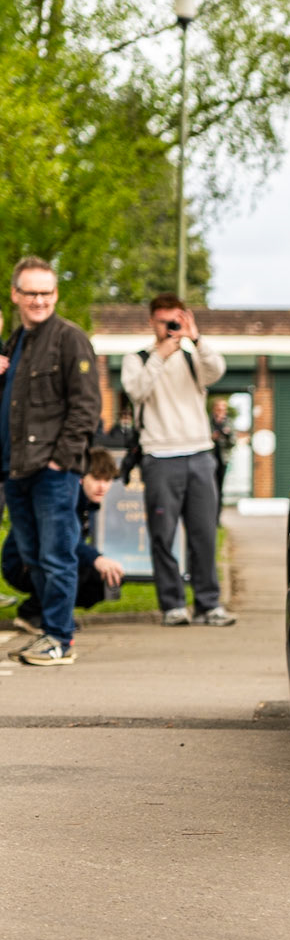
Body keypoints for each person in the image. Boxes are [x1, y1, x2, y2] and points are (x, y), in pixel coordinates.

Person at [0, 255, 102, 665]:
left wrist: (61, 461)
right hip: (16, 468)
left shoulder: (69, 338)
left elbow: (86, 407)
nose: (39, 300)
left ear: (56, 294)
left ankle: (61, 638)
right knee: (32, 557)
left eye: (46, 292)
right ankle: (49, 630)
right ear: (15, 295)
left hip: (51, 472)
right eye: (31, 293)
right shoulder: (17, 342)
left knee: (57, 556)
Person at [121, 295, 236, 627]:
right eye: (164, 322)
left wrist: (195, 338)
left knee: (204, 534)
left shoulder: (192, 356)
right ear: (152, 321)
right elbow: (136, 391)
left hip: (199, 453)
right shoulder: (138, 359)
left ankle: (208, 604)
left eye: (176, 321)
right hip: (159, 456)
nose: (170, 328)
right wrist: (160, 355)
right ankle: (172, 605)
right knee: (163, 535)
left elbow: (216, 371)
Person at [3, 447, 123, 632]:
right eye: (96, 479)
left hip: (44, 557)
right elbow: (63, 541)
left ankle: (57, 614)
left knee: (104, 577)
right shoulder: (66, 499)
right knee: (74, 565)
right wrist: (96, 559)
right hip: (21, 564)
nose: (102, 487)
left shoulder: (86, 504)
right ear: (82, 477)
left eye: (107, 480)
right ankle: (32, 613)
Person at [209, 395, 238, 515]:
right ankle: (209, 515)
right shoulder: (208, 422)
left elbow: (233, 442)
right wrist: (212, 437)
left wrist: (227, 435)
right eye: (219, 409)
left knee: (220, 488)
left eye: (223, 409)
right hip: (209, 459)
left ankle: (217, 516)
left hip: (223, 460)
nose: (221, 411)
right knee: (209, 488)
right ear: (214, 409)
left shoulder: (228, 423)